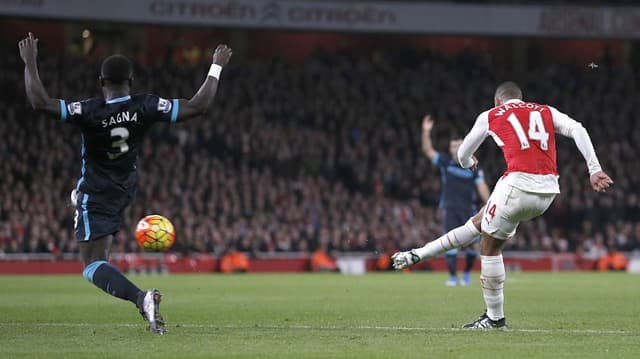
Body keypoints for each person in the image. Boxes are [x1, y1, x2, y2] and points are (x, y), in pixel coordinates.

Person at [19, 32, 232, 334]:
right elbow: (198, 106)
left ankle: (141, 298)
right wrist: (216, 66)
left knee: (92, 265)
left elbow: (40, 103)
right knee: (87, 214)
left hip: (97, 192)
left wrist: (29, 62)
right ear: (131, 81)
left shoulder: (89, 111)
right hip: (124, 188)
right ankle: (77, 199)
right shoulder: (146, 105)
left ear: (101, 82)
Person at [392, 81, 613, 329]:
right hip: (548, 191)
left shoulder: (491, 115)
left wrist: (468, 162)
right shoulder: (545, 111)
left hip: (518, 185)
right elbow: (578, 129)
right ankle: (417, 254)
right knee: (477, 224)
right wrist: (594, 169)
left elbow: (463, 153)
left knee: (489, 247)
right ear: (521, 99)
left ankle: (495, 318)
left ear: (498, 101)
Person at [420, 114, 490, 286]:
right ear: (450, 149)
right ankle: (452, 277)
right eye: (453, 146)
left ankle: (466, 275)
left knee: (473, 246)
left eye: (459, 146)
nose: (455, 149)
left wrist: (489, 204)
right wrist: (425, 131)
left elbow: (481, 186)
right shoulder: (445, 162)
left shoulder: (473, 165)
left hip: (469, 209)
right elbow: (428, 151)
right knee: (450, 244)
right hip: (450, 208)